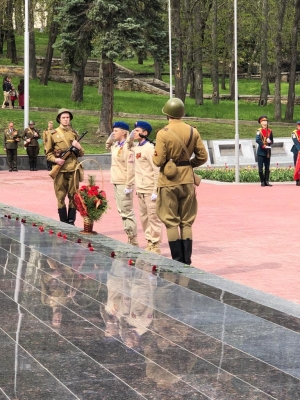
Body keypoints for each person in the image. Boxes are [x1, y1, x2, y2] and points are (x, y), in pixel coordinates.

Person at [153, 98, 208, 265]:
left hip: (169, 181)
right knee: (186, 221)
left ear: (167, 114)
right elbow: (203, 157)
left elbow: (158, 161)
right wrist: (188, 165)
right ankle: (187, 260)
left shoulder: (163, 133)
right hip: (187, 180)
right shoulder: (193, 131)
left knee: (171, 222)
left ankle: (177, 261)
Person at [128, 121, 163, 254]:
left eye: (137, 131)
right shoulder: (137, 147)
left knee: (153, 217)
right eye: (134, 130)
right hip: (141, 188)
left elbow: (156, 170)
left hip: (149, 189)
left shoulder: (149, 148)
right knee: (144, 217)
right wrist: (131, 137)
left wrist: (155, 190)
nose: (134, 132)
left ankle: (155, 244)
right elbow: (127, 145)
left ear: (145, 133)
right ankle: (149, 241)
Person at [45, 108, 84, 225]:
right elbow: (48, 153)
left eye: (68, 117)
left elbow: (81, 154)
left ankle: (71, 221)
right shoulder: (52, 134)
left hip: (73, 169)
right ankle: (63, 222)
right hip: (60, 170)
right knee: (60, 196)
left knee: (74, 196)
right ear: (59, 119)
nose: (66, 119)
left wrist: (79, 147)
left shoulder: (74, 133)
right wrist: (56, 159)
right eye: (63, 117)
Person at [105, 121, 138, 246]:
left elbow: (131, 167)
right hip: (116, 181)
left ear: (124, 132)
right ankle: (129, 237)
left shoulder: (127, 147)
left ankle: (133, 240)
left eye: (116, 131)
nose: (113, 133)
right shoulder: (117, 145)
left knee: (127, 212)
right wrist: (110, 138)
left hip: (124, 182)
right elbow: (107, 146)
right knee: (121, 211)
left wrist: (129, 185)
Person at [256, 115, 274, 187]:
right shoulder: (259, 131)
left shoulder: (270, 131)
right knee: (260, 168)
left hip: (268, 152)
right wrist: (263, 145)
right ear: (261, 123)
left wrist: (270, 141)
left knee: (267, 167)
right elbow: (257, 140)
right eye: (263, 122)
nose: (265, 123)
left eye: (266, 121)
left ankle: (266, 181)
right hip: (261, 151)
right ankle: (262, 181)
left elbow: (272, 140)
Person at [291, 121, 300, 186]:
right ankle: (297, 180)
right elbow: (296, 142)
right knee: (297, 165)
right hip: (297, 151)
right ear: (297, 126)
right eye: (299, 126)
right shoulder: (294, 133)